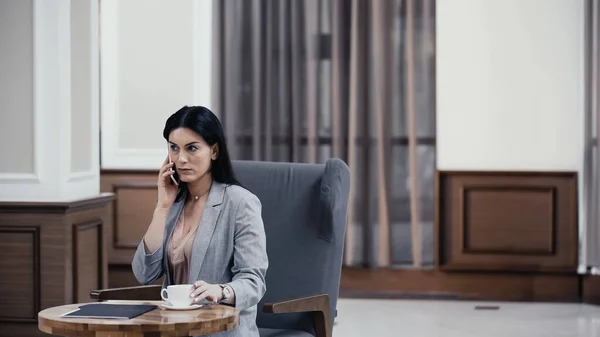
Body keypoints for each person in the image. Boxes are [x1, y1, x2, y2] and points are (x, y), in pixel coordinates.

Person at [132, 105, 268, 337]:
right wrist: (162, 207)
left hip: (221, 331)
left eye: (192, 148)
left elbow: (254, 282)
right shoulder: (172, 202)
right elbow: (144, 274)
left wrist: (221, 290)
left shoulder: (240, 203)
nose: (181, 158)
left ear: (214, 151)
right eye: (174, 148)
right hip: (173, 329)